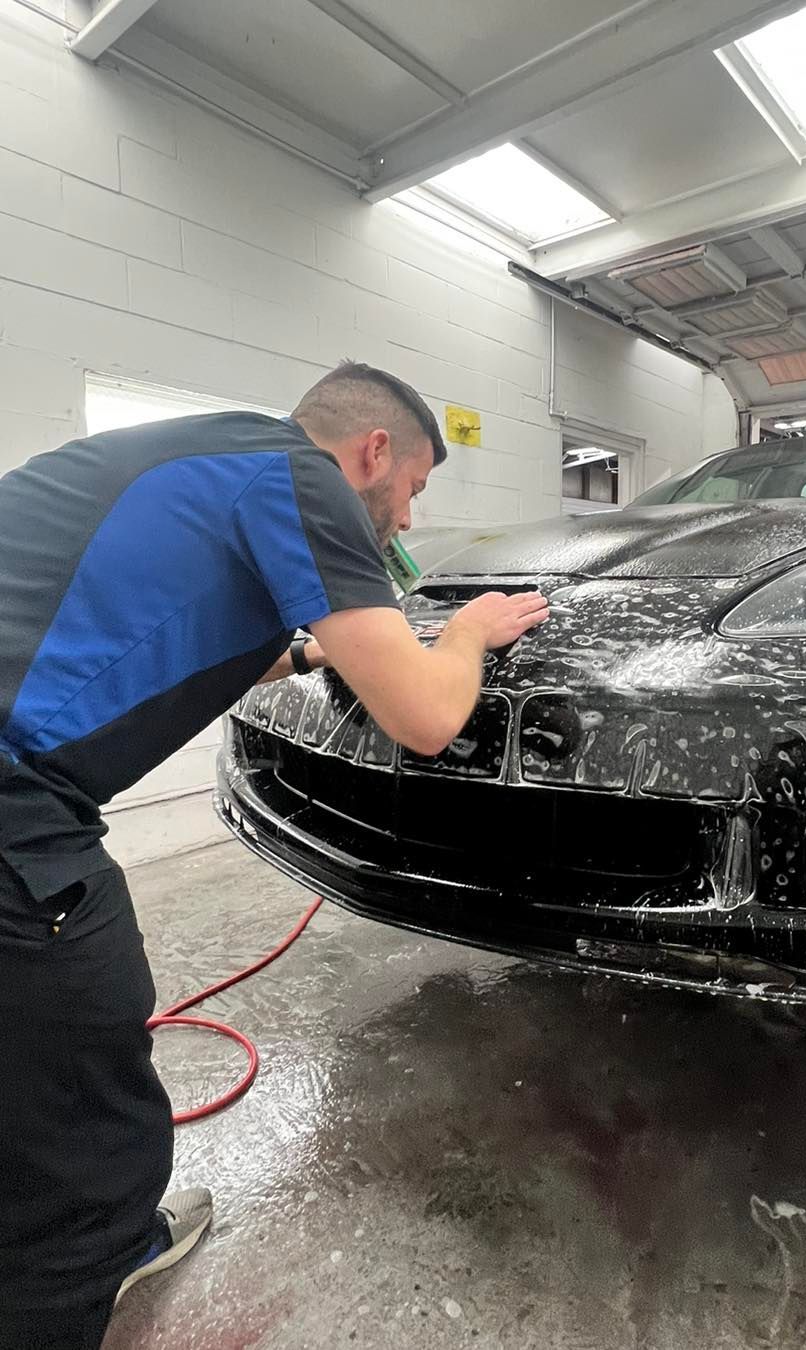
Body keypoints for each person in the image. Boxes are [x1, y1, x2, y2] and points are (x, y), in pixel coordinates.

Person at [0, 360, 549, 1349]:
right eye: (415, 489)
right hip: (13, 804)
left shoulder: (212, 455)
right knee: (89, 1082)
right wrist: (467, 634)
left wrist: (313, 649)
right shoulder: (300, 478)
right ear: (372, 454)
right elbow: (425, 717)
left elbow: (180, 615)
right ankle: (89, 1262)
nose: (410, 523)